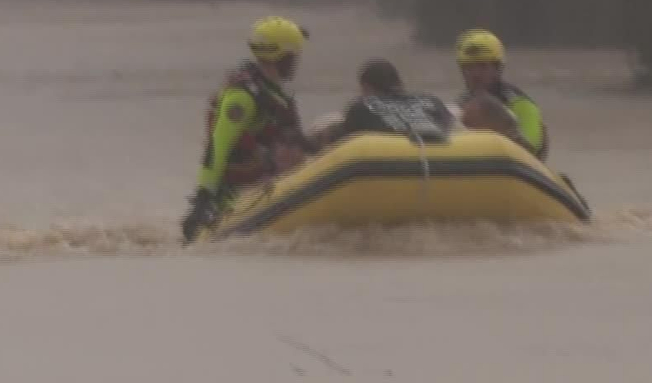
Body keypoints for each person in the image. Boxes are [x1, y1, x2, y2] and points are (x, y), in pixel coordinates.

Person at [181, 16, 311, 242]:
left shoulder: (274, 94)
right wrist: (203, 199)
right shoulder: (242, 97)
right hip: (239, 194)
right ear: (279, 56)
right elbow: (217, 147)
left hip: (270, 182)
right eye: (292, 56)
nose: (296, 61)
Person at [313, 59, 455, 149]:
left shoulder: (362, 106)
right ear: (399, 83)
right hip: (442, 162)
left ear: (366, 87)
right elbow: (452, 128)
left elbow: (338, 140)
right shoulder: (432, 100)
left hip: (389, 168)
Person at [454, 29, 549, 159]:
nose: (475, 74)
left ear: (497, 68)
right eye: (469, 67)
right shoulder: (461, 104)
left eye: (482, 66)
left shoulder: (521, 103)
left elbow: (531, 149)